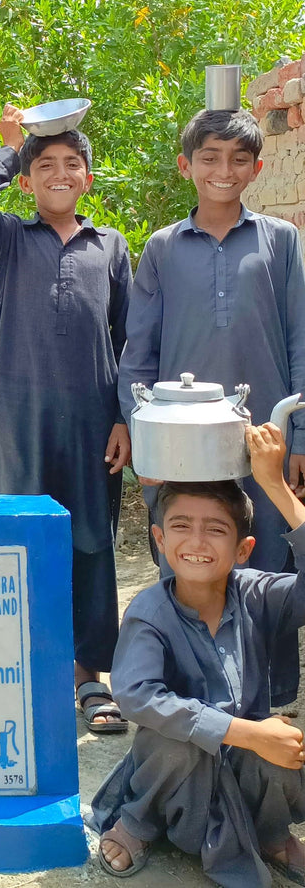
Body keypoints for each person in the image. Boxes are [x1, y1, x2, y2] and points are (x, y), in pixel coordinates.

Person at [118, 107, 305, 707]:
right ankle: (186, 696)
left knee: (267, 558)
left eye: (238, 159)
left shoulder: (281, 242)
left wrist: (295, 441)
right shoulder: (163, 248)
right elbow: (138, 356)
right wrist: (146, 445)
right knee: (190, 555)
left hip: (262, 447)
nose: (224, 170)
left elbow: (301, 341)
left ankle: (271, 698)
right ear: (186, 165)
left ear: (255, 168)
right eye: (210, 157)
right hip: (179, 444)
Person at [0, 103, 132, 733]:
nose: (60, 172)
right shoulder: (11, 239)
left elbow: (126, 338)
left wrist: (123, 418)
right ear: (27, 183)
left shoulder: (109, 247)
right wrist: (10, 146)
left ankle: (89, 676)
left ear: (87, 178)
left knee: (90, 542)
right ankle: (14, 667)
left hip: (90, 423)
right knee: (17, 540)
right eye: (45, 165)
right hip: (16, 418)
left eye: (72, 164)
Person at [91, 423, 305, 885]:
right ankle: (139, 823)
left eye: (216, 529)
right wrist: (243, 731)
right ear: (160, 540)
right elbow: (139, 697)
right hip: (171, 771)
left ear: (244, 549)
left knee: (280, 741)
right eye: (180, 527)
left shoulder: (257, 594)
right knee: (174, 739)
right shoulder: (150, 610)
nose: (197, 542)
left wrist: (275, 486)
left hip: (241, 763)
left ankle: (269, 833)